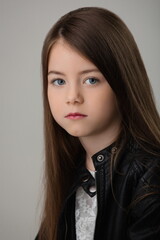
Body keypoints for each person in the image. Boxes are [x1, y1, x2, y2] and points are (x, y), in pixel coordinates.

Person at [35, 7, 160, 240]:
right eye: (58, 81)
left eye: (91, 79)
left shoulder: (151, 176)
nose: (72, 96)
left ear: (123, 82)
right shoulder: (70, 169)